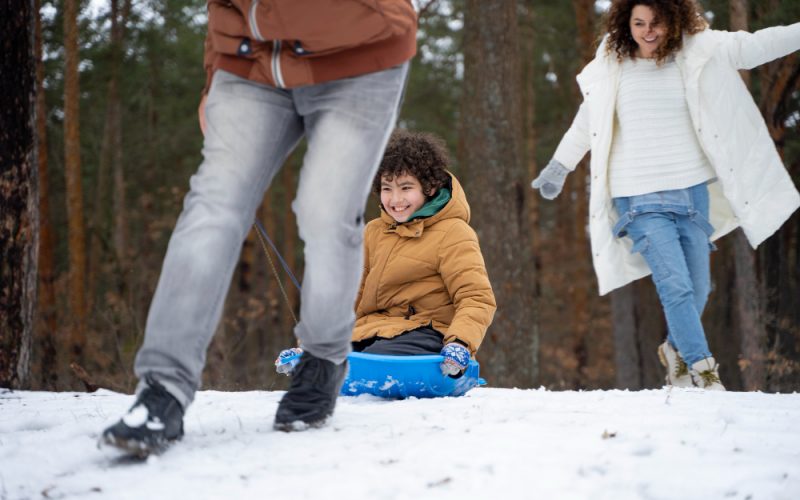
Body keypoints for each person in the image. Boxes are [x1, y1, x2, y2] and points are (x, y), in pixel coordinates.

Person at [102, 1, 417, 455]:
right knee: (213, 207)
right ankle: (162, 388)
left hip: (359, 58)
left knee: (324, 210)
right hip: (250, 62)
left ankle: (323, 359)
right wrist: (214, 75)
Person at [531, 0, 800, 390]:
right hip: (637, 198)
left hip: (691, 195)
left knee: (699, 288)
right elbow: (588, 120)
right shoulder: (613, 63)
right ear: (626, 24)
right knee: (675, 286)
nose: (648, 32)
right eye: (639, 23)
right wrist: (560, 165)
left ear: (674, 20)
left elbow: (756, 45)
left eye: (656, 23)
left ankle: (675, 349)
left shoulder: (699, 49)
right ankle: (704, 371)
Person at [276, 130, 496, 378]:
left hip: (429, 332)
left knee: (376, 359)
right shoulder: (374, 232)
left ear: (430, 187)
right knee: (339, 355)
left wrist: (460, 342)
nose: (395, 199)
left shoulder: (453, 232)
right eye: (387, 188)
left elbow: (475, 297)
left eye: (406, 188)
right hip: (375, 331)